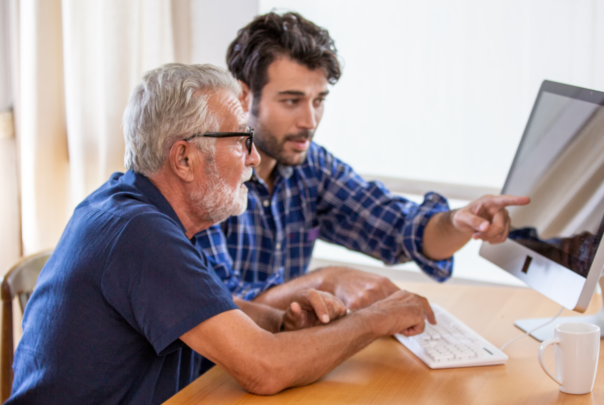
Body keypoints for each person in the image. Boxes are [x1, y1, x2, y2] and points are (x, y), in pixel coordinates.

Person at [7, 63, 437, 404]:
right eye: (240, 141)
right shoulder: (138, 233)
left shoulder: (134, 206)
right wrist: (379, 318)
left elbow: (208, 308)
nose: (253, 157)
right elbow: (264, 370)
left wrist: (280, 321)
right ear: (184, 159)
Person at [196, 12, 530, 310]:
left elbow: (401, 230)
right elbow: (223, 307)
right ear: (243, 96)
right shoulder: (205, 179)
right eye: (291, 101)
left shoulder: (311, 167)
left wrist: (458, 221)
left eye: (319, 101)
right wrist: (326, 281)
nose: (310, 120)